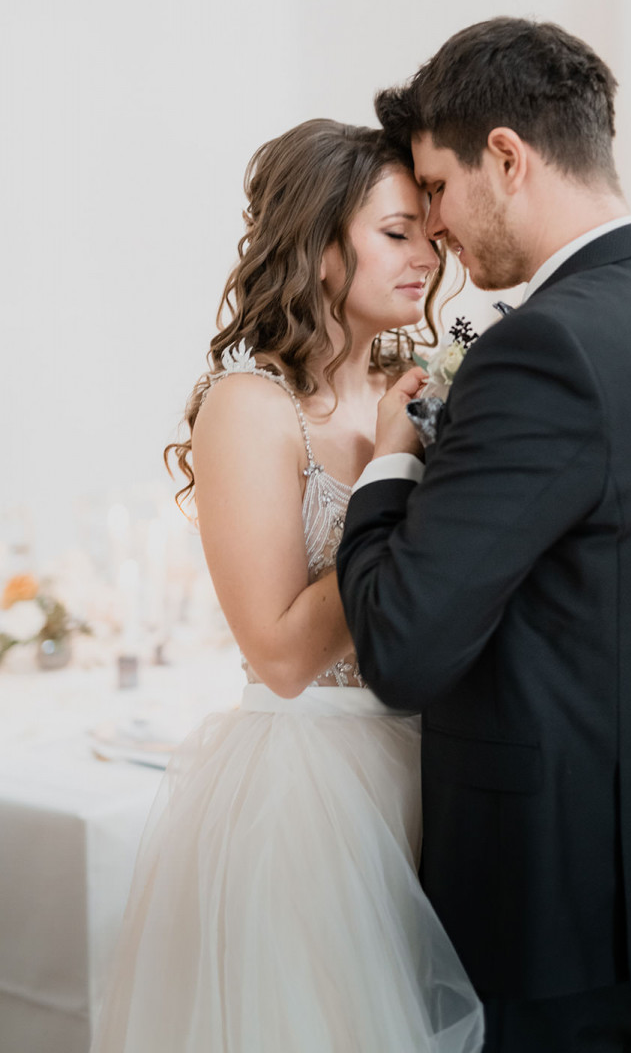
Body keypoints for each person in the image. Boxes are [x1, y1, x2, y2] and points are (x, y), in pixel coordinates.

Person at [336, 18, 631, 1052]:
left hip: (554, 899)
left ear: (505, 157)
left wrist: (389, 463)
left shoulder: (545, 349)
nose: (432, 231)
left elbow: (400, 645)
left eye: (434, 190)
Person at [90, 119, 484, 1053]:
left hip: (432, 761)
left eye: (428, 230)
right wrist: (392, 475)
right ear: (315, 250)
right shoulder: (248, 408)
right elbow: (277, 656)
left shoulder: (410, 382)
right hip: (310, 793)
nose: (427, 254)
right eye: (396, 233)